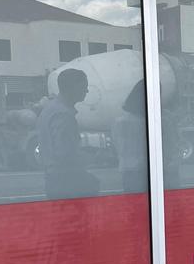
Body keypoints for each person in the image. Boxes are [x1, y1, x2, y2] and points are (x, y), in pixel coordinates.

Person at [36, 68, 99, 199]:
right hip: (66, 181)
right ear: (73, 87)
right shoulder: (63, 115)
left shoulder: (50, 109)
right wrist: (89, 158)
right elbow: (63, 153)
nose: (86, 91)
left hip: (54, 178)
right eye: (84, 86)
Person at [112, 80, 148, 193]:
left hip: (126, 169)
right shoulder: (145, 122)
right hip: (143, 169)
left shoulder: (119, 122)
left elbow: (117, 146)